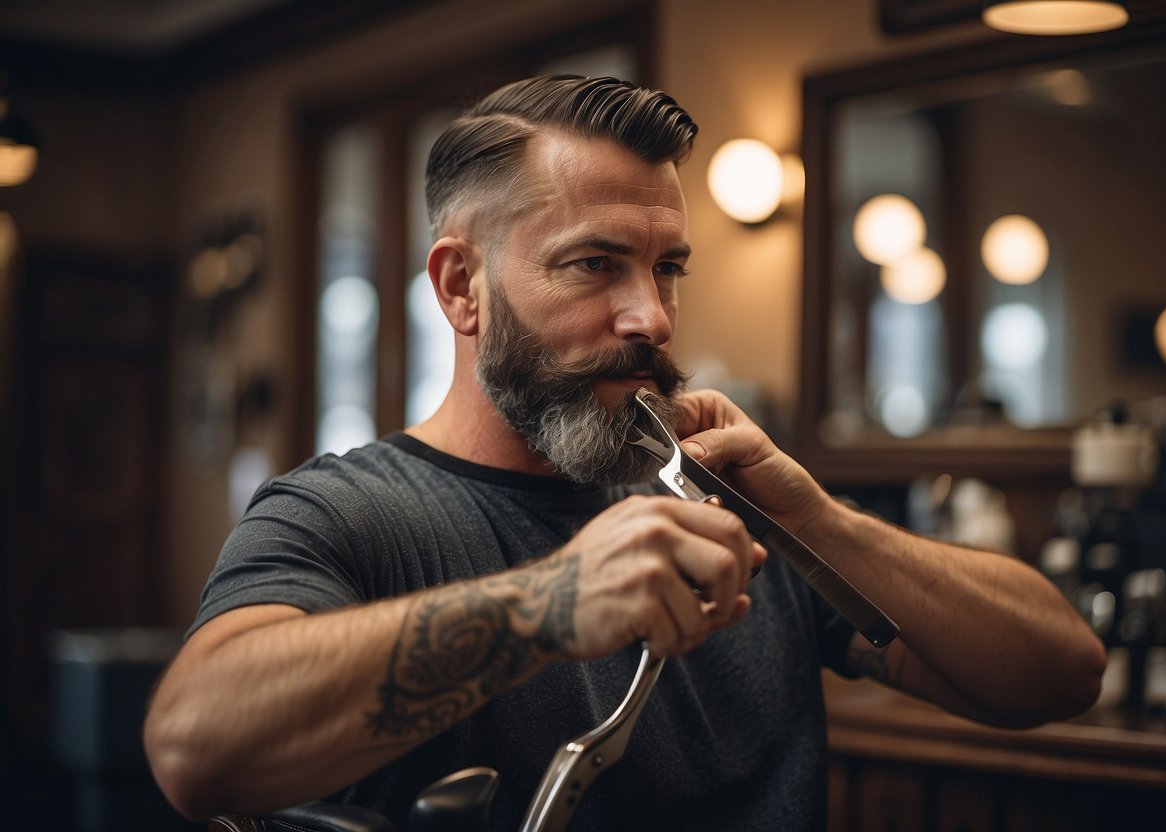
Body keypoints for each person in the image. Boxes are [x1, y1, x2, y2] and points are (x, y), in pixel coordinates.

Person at [143, 75, 1106, 831]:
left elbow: (1061, 674)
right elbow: (193, 749)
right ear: (460, 286)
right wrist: (547, 604)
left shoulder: (729, 517)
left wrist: (814, 518)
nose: (651, 315)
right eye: (594, 264)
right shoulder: (347, 514)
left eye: (667, 268)